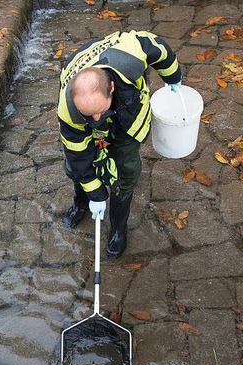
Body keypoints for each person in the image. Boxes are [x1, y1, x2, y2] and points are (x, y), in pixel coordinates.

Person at [57, 30, 181, 258]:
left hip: (128, 114)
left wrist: (172, 78)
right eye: (88, 114)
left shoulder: (131, 57)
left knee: (125, 171)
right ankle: (81, 205)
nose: (96, 120)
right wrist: (95, 192)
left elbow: (159, 48)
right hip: (88, 124)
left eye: (99, 111)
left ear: (111, 88)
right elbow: (77, 152)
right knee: (76, 168)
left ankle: (118, 229)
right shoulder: (69, 110)